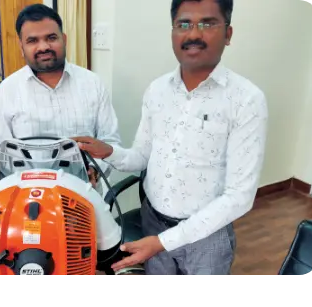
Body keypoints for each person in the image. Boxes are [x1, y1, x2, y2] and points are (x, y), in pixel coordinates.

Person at [73, 0, 268, 276]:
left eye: (208, 23)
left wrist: (163, 243)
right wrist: (109, 152)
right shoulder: (157, 91)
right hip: (153, 221)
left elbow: (240, 196)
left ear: (228, 34)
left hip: (206, 237)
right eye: (184, 24)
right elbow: (142, 156)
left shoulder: (246, 100)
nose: (193, 34)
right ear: (173, 33)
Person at [0, 4, 121, 189]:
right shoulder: (8, 89)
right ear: (21, 46)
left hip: (84, 194)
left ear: (64, 39)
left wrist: (95, 170)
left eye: (51, 38)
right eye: (32, 40)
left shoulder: (93, 84)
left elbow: (110, 142)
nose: (43, 47)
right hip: (27, 197)